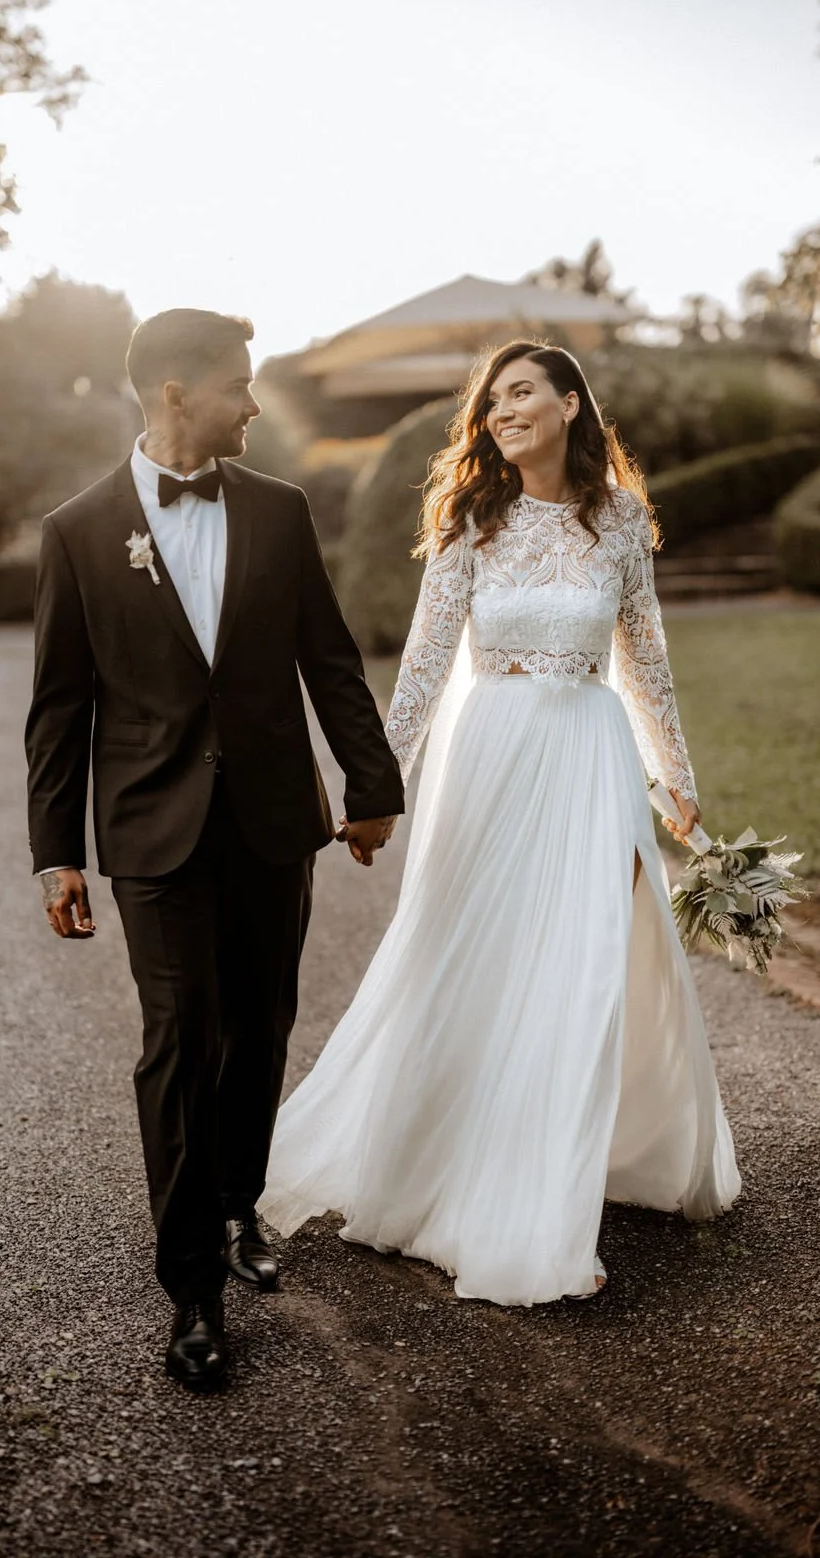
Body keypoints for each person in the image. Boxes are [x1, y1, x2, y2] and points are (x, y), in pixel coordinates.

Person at [260, 340, 742, 1306]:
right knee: (470, 957)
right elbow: (428, 666)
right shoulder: (469, 524)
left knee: (583, 968)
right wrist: (377, 788)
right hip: (491, 758)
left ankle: (550, 1202)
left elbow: (644, 659)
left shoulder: (616, 524)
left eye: (521, 394)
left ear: (570, 404)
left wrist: (673, 781)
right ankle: (452, 1166)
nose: (500, 412)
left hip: (590, 754)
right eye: (491, 403)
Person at [24, 308, 403, 1388]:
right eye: (239, 384)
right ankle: (190, 1291)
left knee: (258, 1025)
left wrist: (371, 784)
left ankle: (239, 1203)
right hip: (152, 830)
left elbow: (328, 658)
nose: (253, 401)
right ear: (177, 394)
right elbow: (57, 710)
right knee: (178, 1038)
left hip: (273, 821)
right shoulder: (78, 530)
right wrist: (56, 849)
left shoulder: (280, 513)